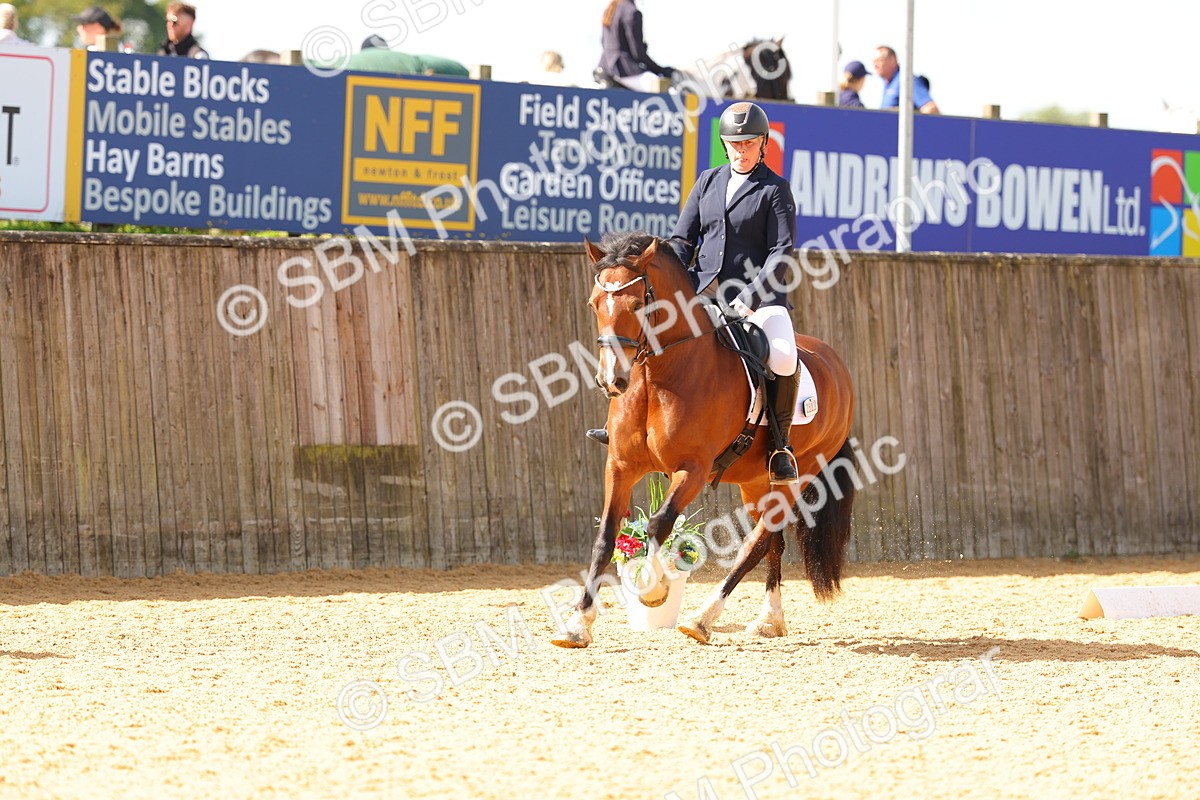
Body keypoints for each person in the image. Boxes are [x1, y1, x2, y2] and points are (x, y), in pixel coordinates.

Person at [586, 102, 802, 485]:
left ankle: (779, 447)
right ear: (725, 144)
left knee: (783, 358)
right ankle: (621, 425)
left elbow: (780, 252)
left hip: (759, 299)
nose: (741, 149)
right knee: (648, 334)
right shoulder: (707, 181)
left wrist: (751, 296)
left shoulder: (775, 190)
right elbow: (683, 242)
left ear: (763, 143)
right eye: (734, 143)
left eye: (749, 142)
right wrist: (677, 282)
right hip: (703, 293)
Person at [597, 0, 673, 92]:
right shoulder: (632, 12)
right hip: (624, 70)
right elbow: (638, 52)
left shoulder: (611, 9)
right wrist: (660, 70)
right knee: (661, 87)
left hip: (605, 67)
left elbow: (603, 42)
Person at [873, 45, 939, 114]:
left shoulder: (907, 81)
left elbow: (931, 108)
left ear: (893, 59)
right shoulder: (888, 83)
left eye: (879, 60)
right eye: (873, 61)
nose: (875, 65)